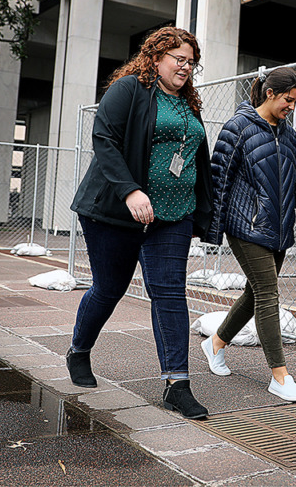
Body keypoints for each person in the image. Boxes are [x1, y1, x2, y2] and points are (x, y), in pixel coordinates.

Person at [67, 27, 213, 420]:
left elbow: (196, 158)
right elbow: (105, 138)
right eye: (177, 59)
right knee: (109, 288)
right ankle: (79, 352)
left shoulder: (188, 104)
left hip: (173, 215)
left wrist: (203, 214)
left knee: (169, 293)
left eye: (190, 61)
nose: (185, 67)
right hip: (116, 213)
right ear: (156, 58)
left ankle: (177, 385)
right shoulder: (130, 89)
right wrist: (131, 190)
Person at [201, 67, 296, 401]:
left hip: (279, 228)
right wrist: (212, 232)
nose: (292, 108)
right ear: (270, 93)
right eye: (288, 100)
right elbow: (218, 180)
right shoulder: (238, 127)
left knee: (256, 293)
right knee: (269, 293)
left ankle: (215, 343)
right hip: (246, 226)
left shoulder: (289, 134)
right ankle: (280, 376)